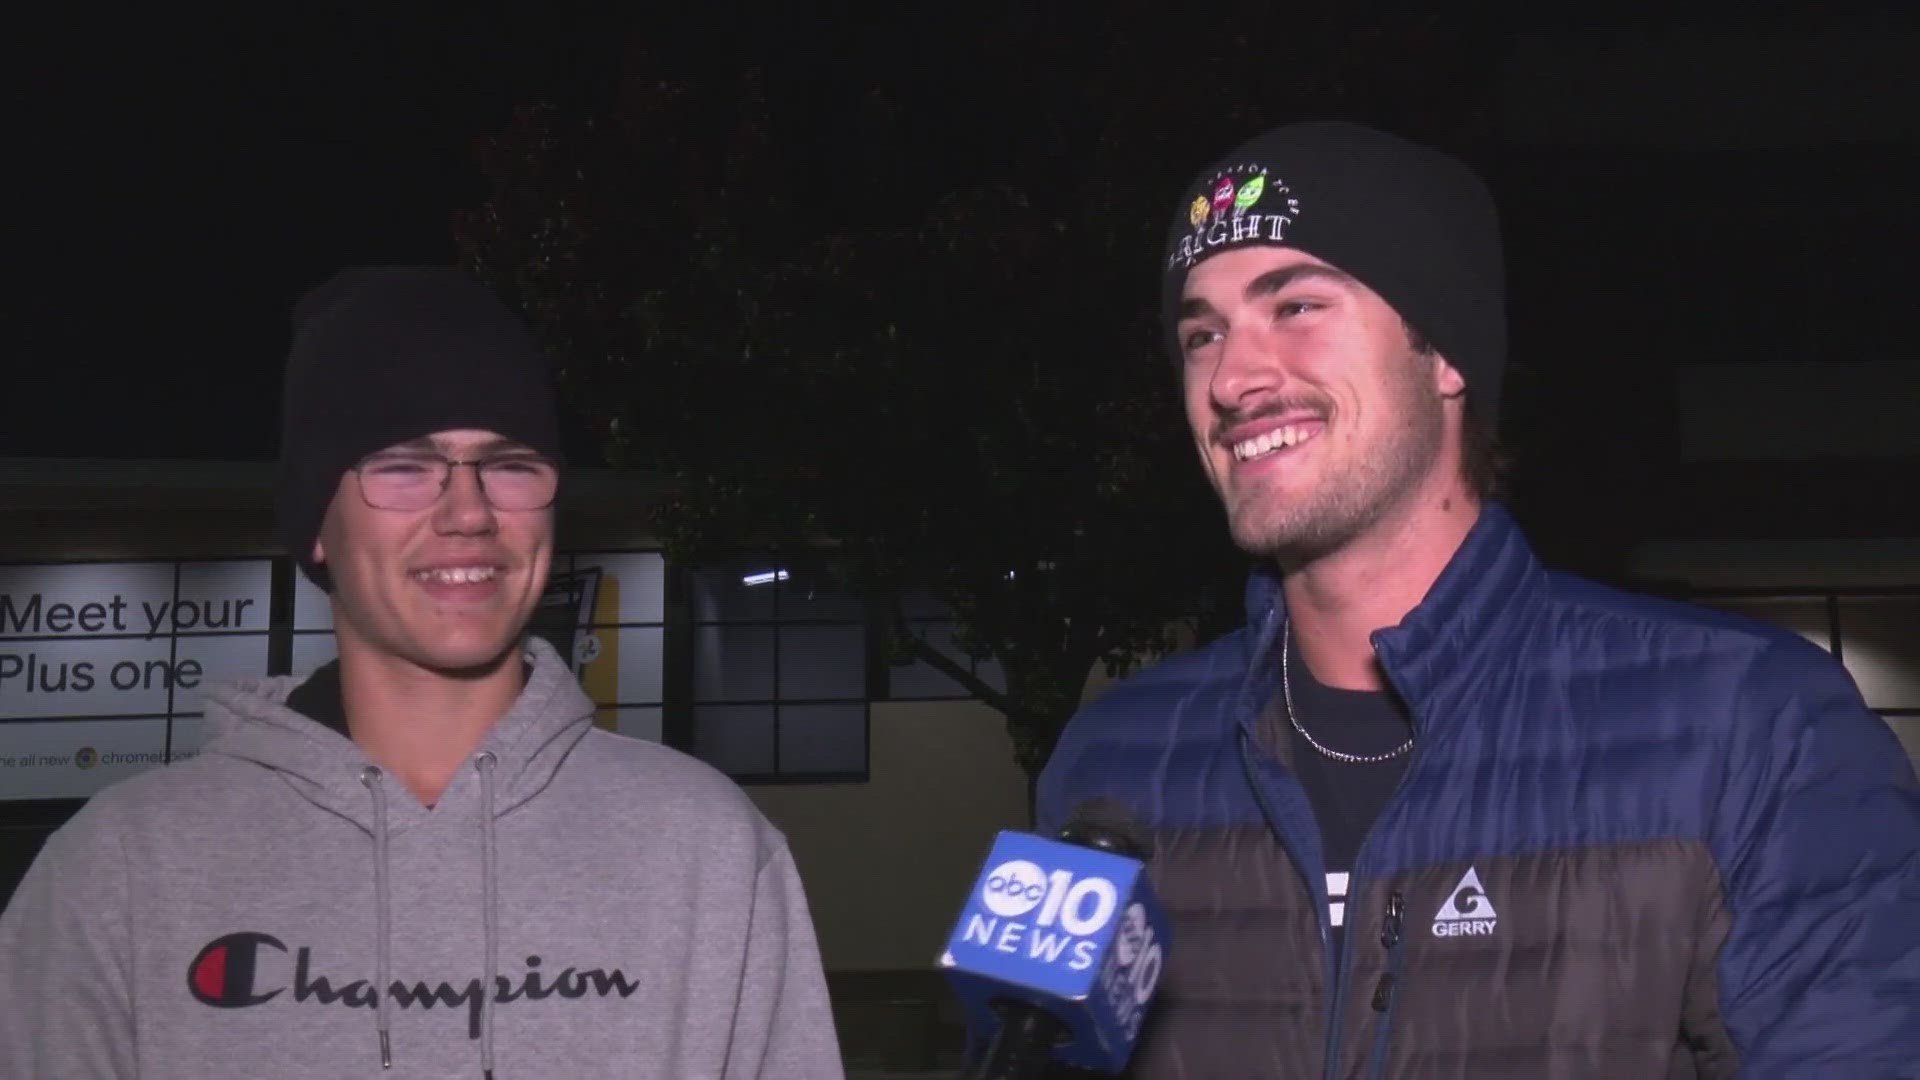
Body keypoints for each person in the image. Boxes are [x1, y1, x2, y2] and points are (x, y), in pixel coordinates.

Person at [1037, 121, 1920, 1077]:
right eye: (1201, 334)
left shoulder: (1752, 729)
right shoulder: (1110, 764)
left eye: (1295, 306)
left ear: (1445, 353)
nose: (1233, 378)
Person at [0, 267, 846, 1079]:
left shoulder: (707, 850)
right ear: (316, 525)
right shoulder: (118, 875)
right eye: (404, 467)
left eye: (509, 464)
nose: (469, 511)